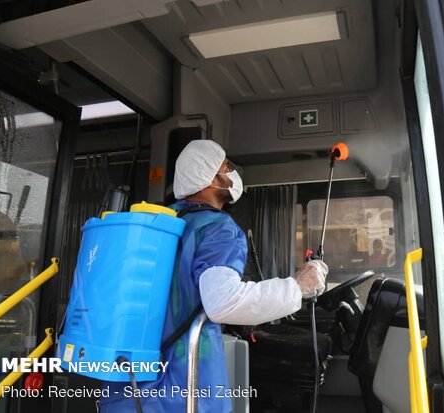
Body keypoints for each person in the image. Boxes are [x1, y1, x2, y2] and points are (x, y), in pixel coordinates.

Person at [101, 140, 329, 412]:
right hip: (182, 391)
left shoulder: (162, 223)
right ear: (208, 178)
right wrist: (297, 287)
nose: (232, 174)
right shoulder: (217, 229)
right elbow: (223, 301)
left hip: (128, 388)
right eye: (226, 167)